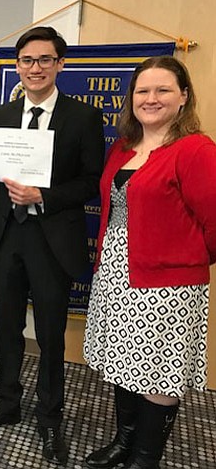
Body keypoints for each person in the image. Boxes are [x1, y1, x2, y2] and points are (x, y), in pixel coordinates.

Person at [0, 26, 105, 465]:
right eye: (27, 60)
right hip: (7, 239)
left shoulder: (82, 117)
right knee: (4, 329)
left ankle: (50, 418)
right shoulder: (1, 114)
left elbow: (90, 183)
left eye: (45, 59)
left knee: (48, 336)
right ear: (17, 67)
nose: (35, 68)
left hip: (52, 241)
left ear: (60, 64)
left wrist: (43, 196)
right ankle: (7, 403)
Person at [83, 56, 216, 469]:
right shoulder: (123, 147)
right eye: (143, 90)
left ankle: (145, 457)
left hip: (168, 285)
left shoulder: (195, 149)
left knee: (158, 374)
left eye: (163, 90)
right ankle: (125, 441)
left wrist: (181, 261)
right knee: (125, 363)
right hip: (116, 273)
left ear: (183, 97)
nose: (151, 98)